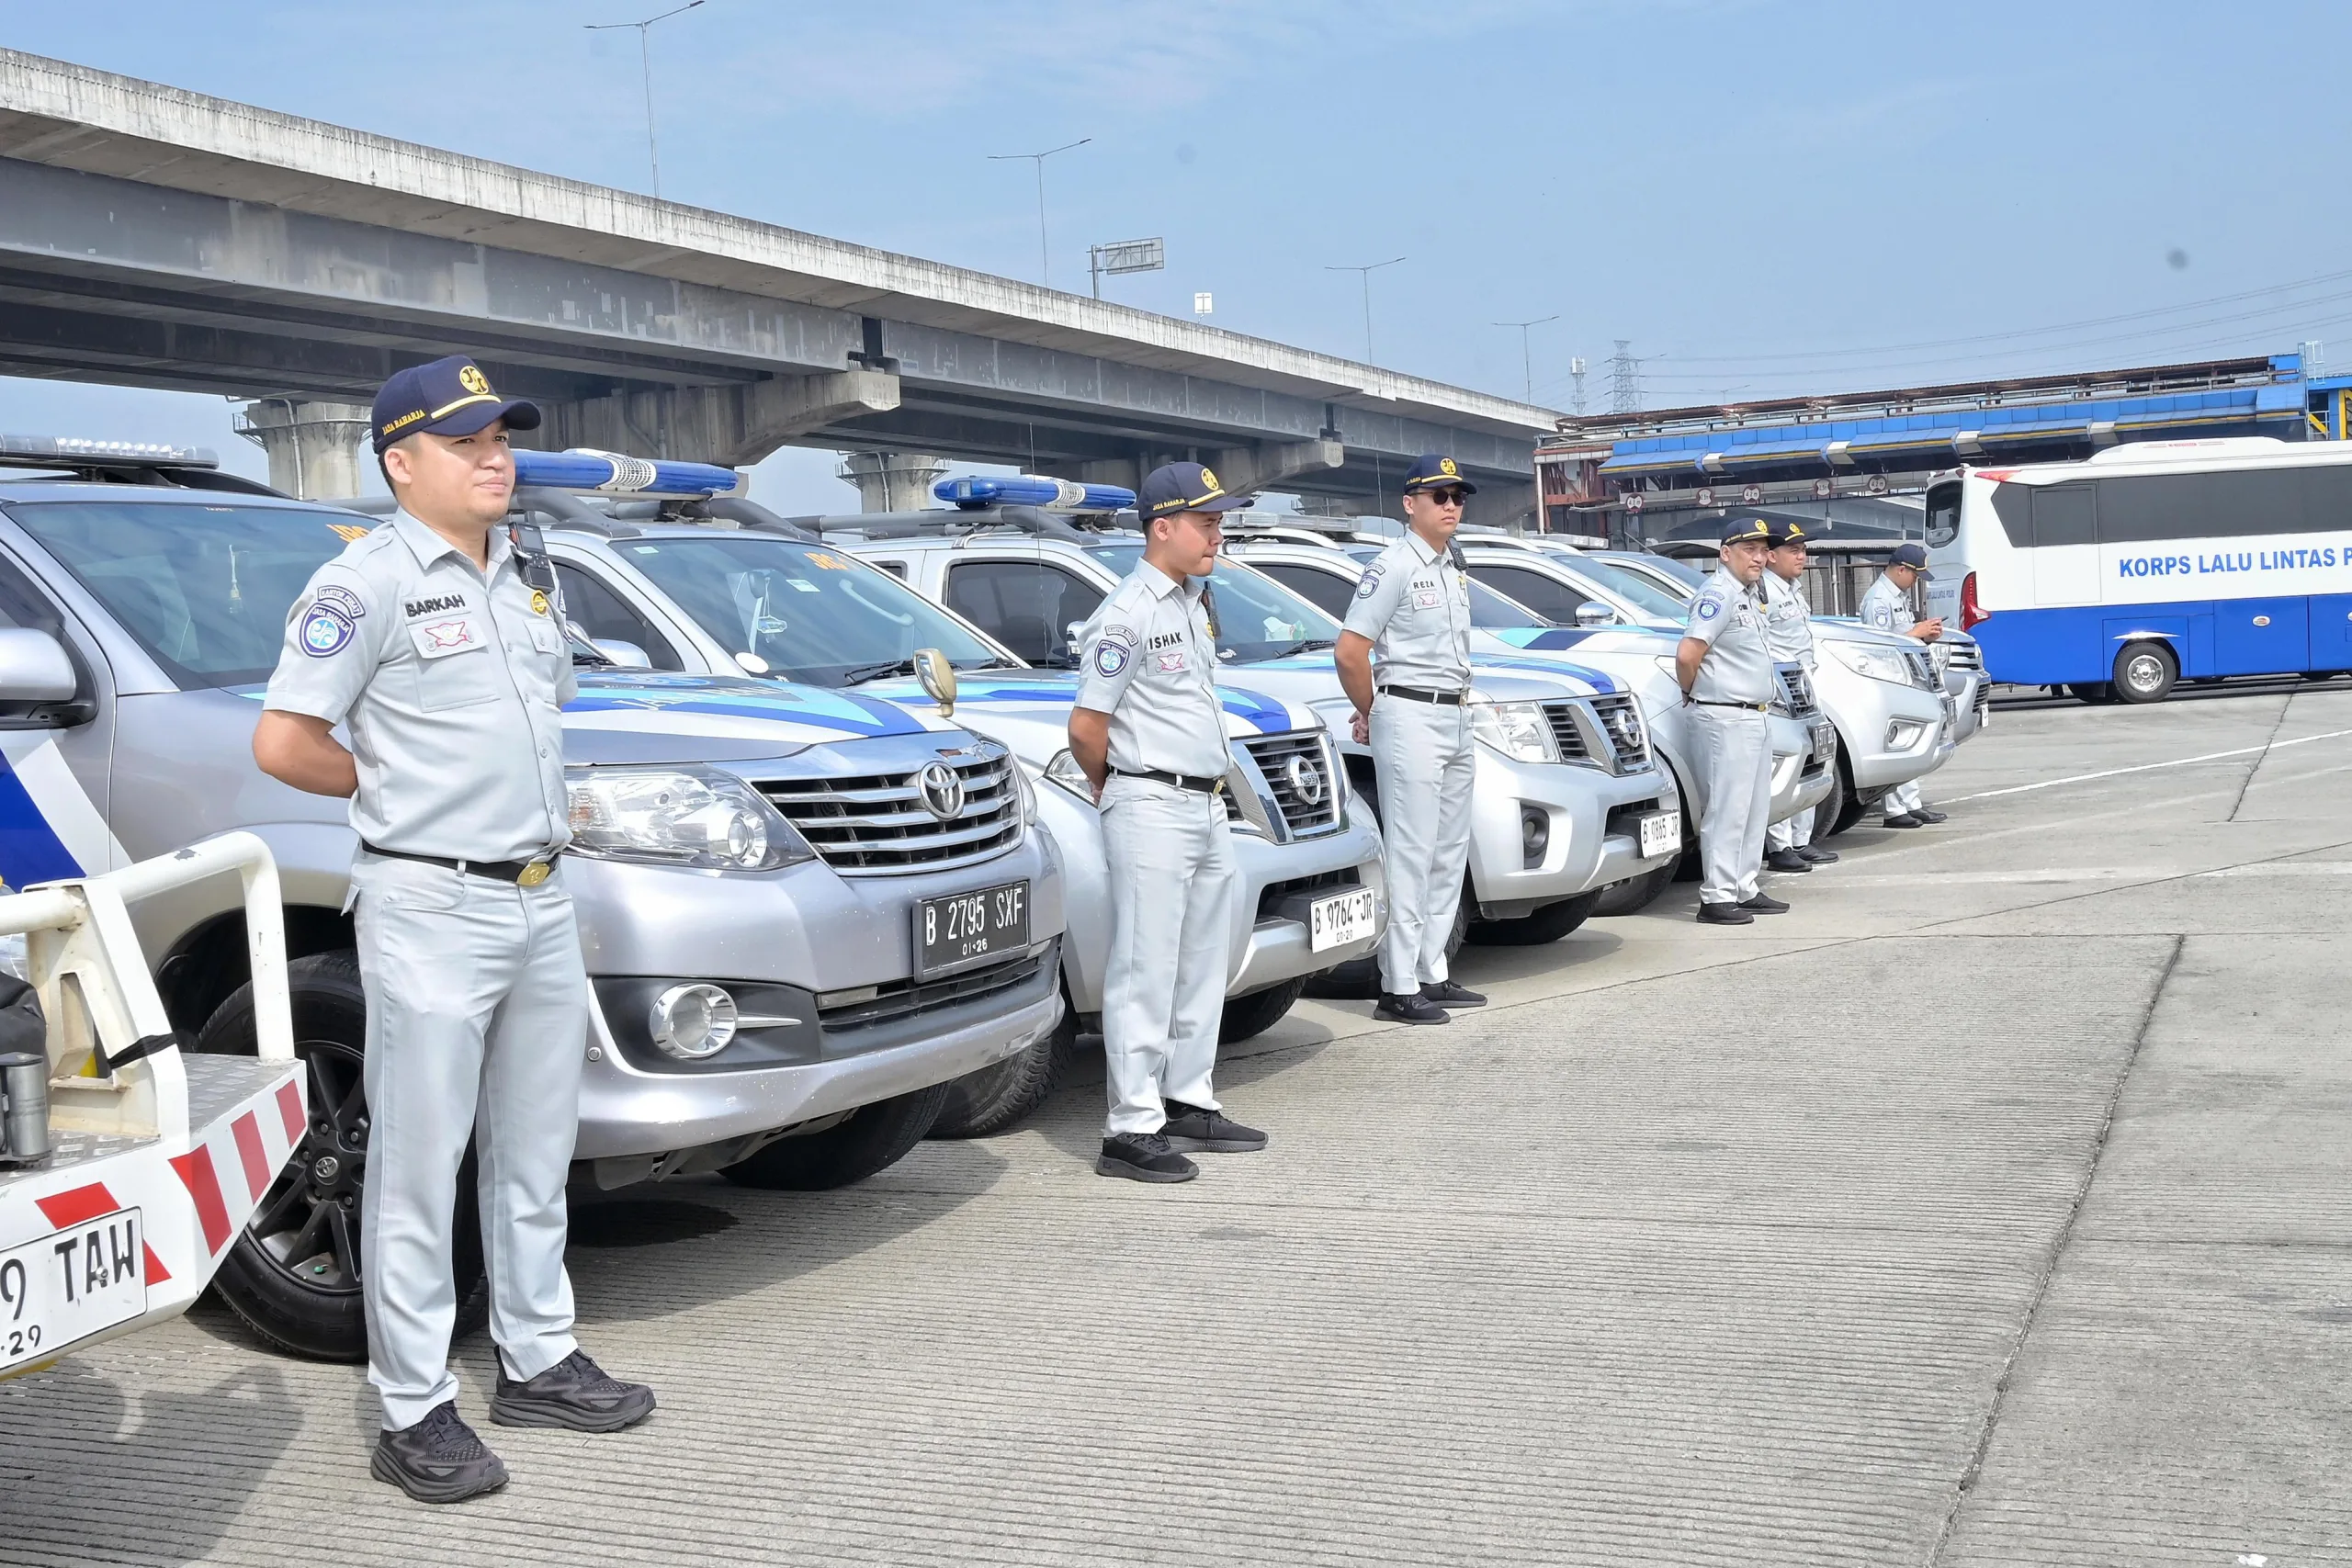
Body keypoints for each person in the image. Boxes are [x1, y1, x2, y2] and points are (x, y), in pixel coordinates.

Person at [255, 355, 653, 1506]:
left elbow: (541, 714)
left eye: (502, 439)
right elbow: (285, 742)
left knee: (534, 1150)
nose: (495, 459)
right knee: (419, 1169)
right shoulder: (364, 584)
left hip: (540, 894)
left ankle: (537, 1357)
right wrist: (394, 793)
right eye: (466, 442)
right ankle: (413, 1406)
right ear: (401, 463)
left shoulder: (524, 572)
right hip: (432, 901)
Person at [1069, 461, 1269, 1184]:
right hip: (1151, 801)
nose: (1219, 536)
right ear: (1162, 528)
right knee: (1144, 967)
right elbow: (1086, 727)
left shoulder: (1192, 601)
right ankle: (1130, 1127)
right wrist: (1117, 786)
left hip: (1206, 801)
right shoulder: (1127, 613)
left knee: (1202, 961)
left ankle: (1187, 1097)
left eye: (1220, 523)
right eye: (1207, 522)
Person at [1337, 454, 1485, 1026]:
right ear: (1409, 504)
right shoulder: (1393, 566)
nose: (1451, 506)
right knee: (1412, 851)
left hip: (1456, 713)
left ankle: (1431, 968)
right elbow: (1351, 651)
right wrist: (1373, 709)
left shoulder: (1452, 565)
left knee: (1449, 849)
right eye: (1439, 496)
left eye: (1458, 496)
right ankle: (1397, 984)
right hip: (1410, 713)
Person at [1675, 519, 1786, 925]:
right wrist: (1693, 691)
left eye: (1763, 550)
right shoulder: (1718, 594)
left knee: (1754, 809)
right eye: (1749, 550)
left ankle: (1744, 886)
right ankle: (1717, 896)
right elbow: (1688, 654)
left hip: (1754, 713)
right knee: (1727, 809)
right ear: (1725, 554)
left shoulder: (1750, 595)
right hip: (1725, 714)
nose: (1759, 558)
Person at [1761, 522, 1838, 874]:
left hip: (1803, 686)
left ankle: (1800, 840)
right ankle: (1779, 846)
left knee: (1810, 759)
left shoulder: (1792, 588)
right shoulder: (1763, 591)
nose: (1802, 557)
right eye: (1794, 550)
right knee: (1783, 765)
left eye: (1803, 550)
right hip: (1779, 691)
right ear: (1772, 555)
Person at [1860, 542, 1949, 829]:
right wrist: (1916, 632)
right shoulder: (1878, 600)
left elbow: (1902, 635)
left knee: (1910, 742)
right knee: (1895, 744)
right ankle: (1895, 810)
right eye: (1914, 576)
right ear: (1901, 570)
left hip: (1905, 679)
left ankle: (1910, 804)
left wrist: (1923, 635)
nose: (1915, 582)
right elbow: (1877, 644)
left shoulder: (1896, 596)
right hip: (1888, 680)